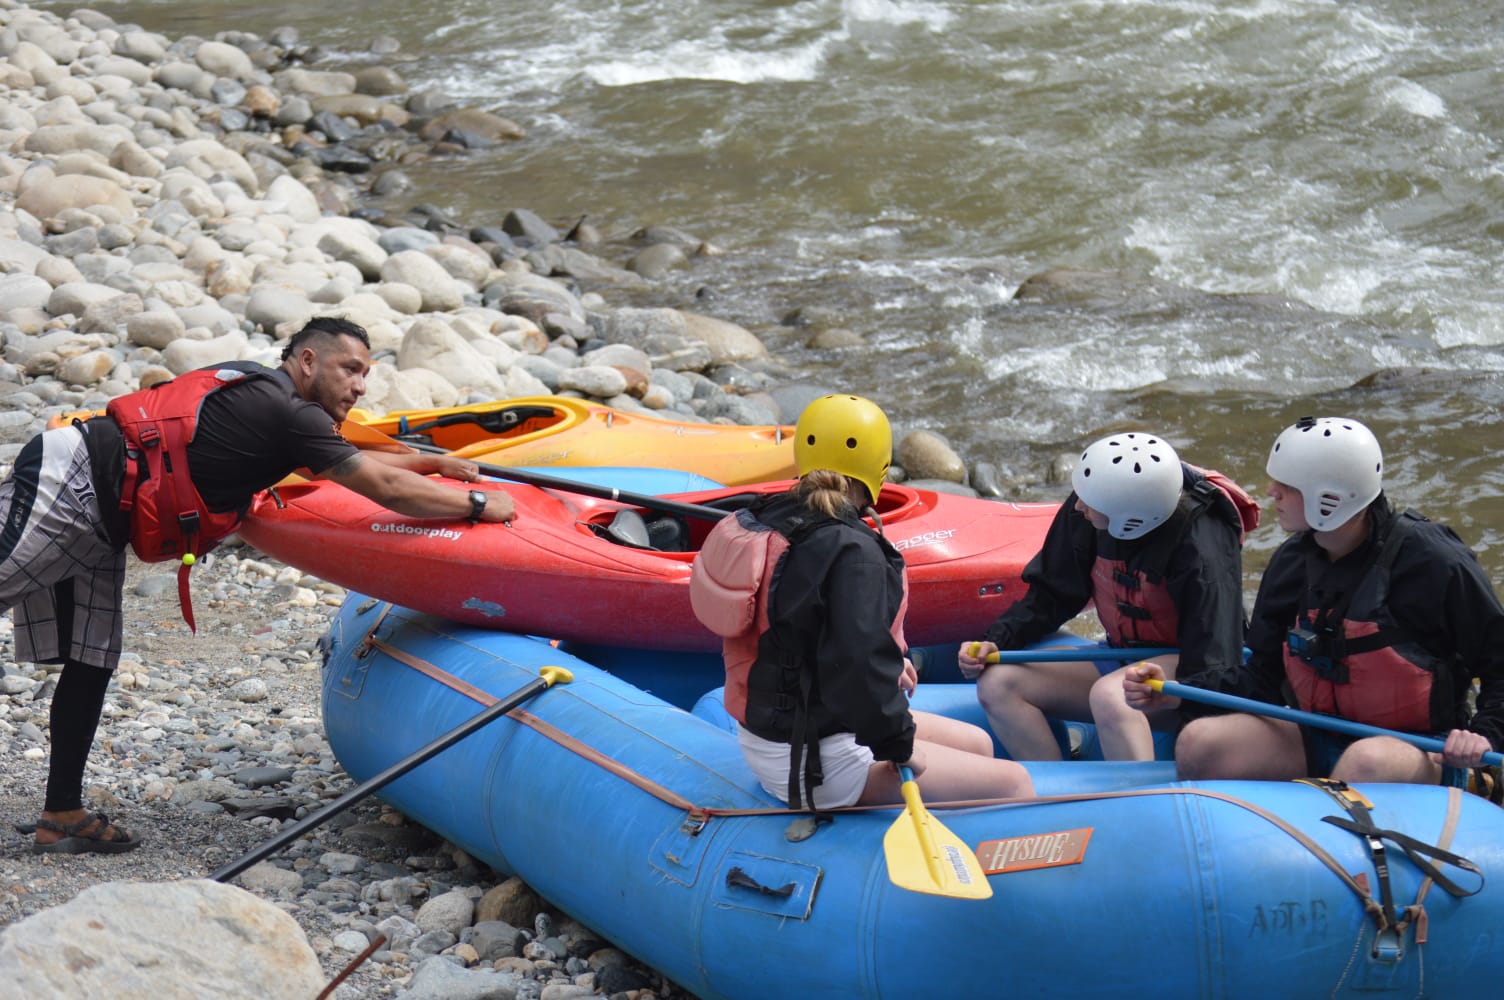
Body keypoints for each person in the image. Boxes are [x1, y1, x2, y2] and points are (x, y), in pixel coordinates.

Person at [2, 316, 516, 854]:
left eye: (366, 374)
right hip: (73, 479)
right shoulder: (285, 411)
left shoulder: (270, 397)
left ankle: (62, 815)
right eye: (350, 369)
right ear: (308, 362)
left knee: (93, 659)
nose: (360, 386)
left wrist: (433, 465)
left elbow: (350, 461)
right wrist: (478, 504)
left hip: (109, 512)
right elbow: (382, 486)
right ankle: (61, 813)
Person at [1124, 416, 1504, 794]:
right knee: (1200, 742)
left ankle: (1474, 785)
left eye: (1287, 486)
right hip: (1318, 733)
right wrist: (1179, 691)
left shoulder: (1435, 562)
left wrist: (1484, 735)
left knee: (1363, 763)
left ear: (1331, 496)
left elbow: (1498, 660)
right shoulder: (1292, 562)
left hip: (1416, 748)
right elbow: (1263, 677)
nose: (1272, 492)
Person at [690, 393, 1034, 808]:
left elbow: (805, 635)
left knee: (977, 743)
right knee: (1016, 785)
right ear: (879, 467)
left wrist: (889, 664)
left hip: (775, 740)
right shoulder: (855, 554)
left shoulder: (766, 518)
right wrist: (899, 747)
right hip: (816, 765)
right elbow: (858, 666)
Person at [958, 431, 1254, 761]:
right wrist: (997, 639)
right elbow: (1052, 594)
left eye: (1089, 502)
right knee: (998, 683)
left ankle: (1138, 803)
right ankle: (1055, 790)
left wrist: (1187, 718)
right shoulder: (1094, 505)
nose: (1078, 505)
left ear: (1130, 517)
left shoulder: (1201, 545)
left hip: (1188, 670)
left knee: (1113, 697)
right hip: (1121, 656)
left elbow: (1214, 659)